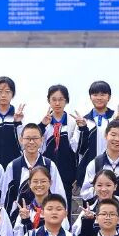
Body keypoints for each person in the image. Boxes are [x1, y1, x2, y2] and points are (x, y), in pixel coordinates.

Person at [39, 84, 80, 215]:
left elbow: (76, 148)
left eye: (61, 99)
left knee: (64, 206)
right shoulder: (44, 123)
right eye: (54, 99)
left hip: (66, 173)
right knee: (46, 205)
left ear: (66, 101)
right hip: (47, 172)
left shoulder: (73, 123)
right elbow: (38, 146)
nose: (57, 103)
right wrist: (41, 126)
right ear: (49, 101)